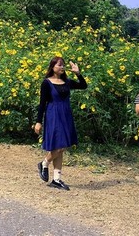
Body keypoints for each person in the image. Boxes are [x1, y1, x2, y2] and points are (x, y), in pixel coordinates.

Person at [34, 57, 87, 191]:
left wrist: (78, 73)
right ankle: (44, 163)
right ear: (52, 67)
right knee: (59, 146)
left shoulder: (66, 82)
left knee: (62, 146)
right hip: (53, 115)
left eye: (63, 65)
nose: (62, 67)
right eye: (59, 65)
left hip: (65, 115)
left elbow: (83, 86)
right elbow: (42, 104)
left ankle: (56, 179)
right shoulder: (46, 83)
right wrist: (38, 122)